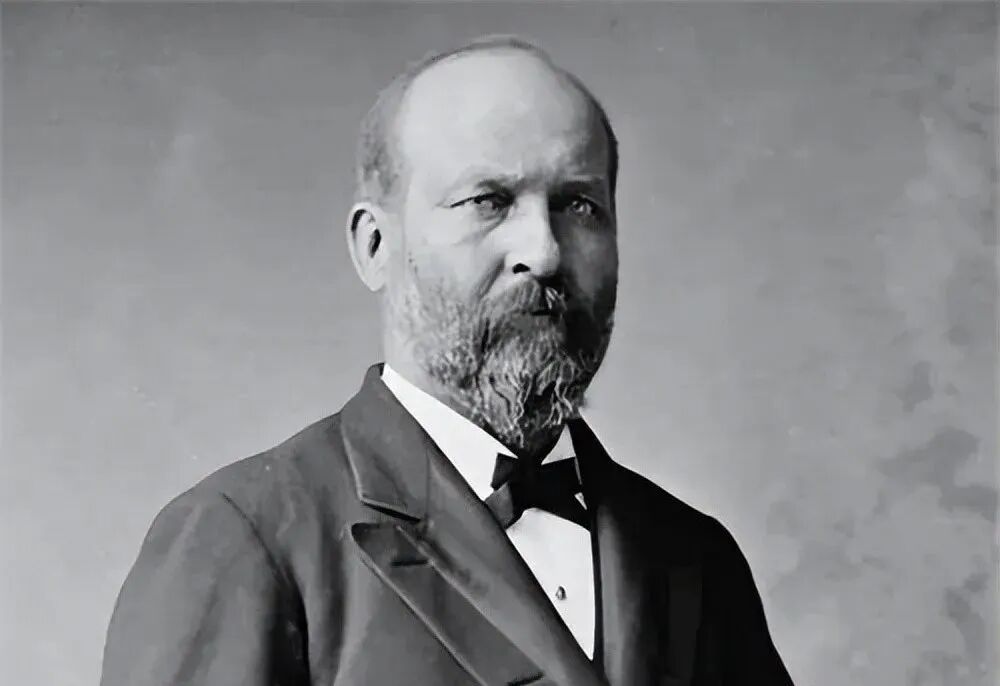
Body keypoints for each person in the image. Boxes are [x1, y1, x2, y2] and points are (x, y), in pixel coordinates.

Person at [100, 36, 794, 686]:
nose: (543, 251)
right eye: (487, 201)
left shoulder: (696, 557)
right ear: (376, 247)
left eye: (579, 205)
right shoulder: (245, 536)